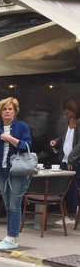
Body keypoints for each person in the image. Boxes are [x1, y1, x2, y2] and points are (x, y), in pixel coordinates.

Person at [0, 97, 32, 250]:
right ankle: (9, 236)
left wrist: (10, 138)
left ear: (15, 112)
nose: (7, 111)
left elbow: (27, 145)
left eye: (10, 109)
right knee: (8, 205)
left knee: (14, 206)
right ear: (0, 112)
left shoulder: (22, 126)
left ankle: (13, 238)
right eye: (4, 109)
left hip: (17, 171)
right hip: (2, 169)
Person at [49, 96, 80, 226]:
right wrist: (57, 141)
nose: (66, 111)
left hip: (74, 160)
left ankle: (71, 215)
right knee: (66, 187)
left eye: (68, 109)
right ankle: (72, 211)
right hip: (64, 158)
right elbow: (68, 137)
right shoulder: (68, 121)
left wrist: (72, 158)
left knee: (71, 187)